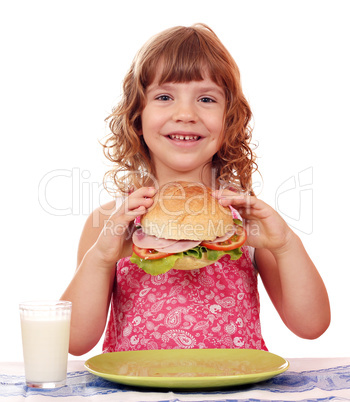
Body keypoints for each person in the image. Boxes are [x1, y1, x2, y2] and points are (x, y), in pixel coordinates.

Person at [61, 24, 330, 355]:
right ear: (137, 118)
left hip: (235, 390)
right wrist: (102, 257)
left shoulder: (246, 219)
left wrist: (287, 245)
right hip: (140, 391)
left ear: (229, 119)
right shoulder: (110, 222)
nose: (186, 114)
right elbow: (74, 342)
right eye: (164, 97)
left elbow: (311, 325)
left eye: (206, 98)